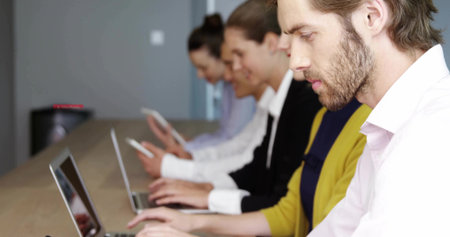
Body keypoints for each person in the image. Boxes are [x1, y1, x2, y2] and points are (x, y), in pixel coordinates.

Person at [274, 0, 450, 236]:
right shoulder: (389, 129)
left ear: (372, 17)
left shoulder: (432, 136)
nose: (295, 62)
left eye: (306, 35)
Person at [137, 0, 321, 215]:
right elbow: (257, 167)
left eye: (240, 55)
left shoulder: (303, 101)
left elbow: (279, 202)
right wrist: (207, 189)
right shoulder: (283, 98)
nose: (233, 68)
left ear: (272, 44)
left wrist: (208, 196)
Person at [138, 42, 274, 181]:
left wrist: (178, 163)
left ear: (272, 44)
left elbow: (241, 155)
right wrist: (190, 152)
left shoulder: (253, 98)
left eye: (232, 62)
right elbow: (237, 144)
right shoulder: (256, 102)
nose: (228, 75)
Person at [147, 13, 255, 153]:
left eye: (203, 67)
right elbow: (224, 134)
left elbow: (231, 140)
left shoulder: (243, 89)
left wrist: (187, 149)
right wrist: (192, 143)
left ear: (221, 56)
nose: (199, 75)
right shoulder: (227, 87)